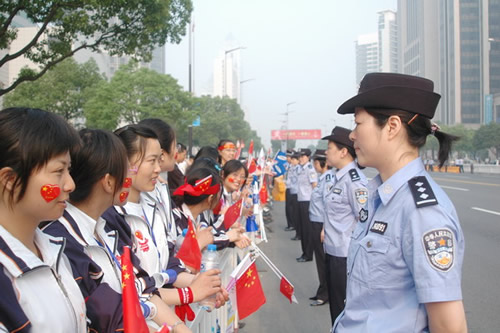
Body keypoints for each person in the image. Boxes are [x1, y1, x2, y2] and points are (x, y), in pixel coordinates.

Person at [332, 72, 466, 332]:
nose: (352, 136)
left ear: (392, 126)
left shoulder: (423, 212)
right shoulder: (380, 196)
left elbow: (450, 326)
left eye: (358, 124)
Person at [42, 128, 188, 332]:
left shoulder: (109, 230)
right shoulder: (60, 242)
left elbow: (141, 287)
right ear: (109, 182)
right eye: (127, 169)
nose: (68, 184)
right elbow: (106, 315)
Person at [0, 107, 87, 332]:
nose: (70, 185)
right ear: (10, 179)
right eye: (58, 172)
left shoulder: (55, 249)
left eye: (69, 170)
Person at [321, 126, 368, 324]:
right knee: (335, 306)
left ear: (343, 151)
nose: (326, 152)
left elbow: (364, 220)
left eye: (330, 147)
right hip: (332, 251)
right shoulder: (337, 177)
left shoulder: (354, 181)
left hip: (345, 255)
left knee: (343, 309)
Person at [308, 149, 330, 307]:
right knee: (320, 260)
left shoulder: (328, 179)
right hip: (315, 221)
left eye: (316, 163)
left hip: (321, 223)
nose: (314, 166)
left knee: (323, 261)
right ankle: (321, 290)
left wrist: (324, 227)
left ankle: (325, 294)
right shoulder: (323, 178)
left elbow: (329, 205)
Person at [295, 148, 318, 262]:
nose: (300, 158)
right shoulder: (301, 168)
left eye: (303, 156)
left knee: (307, 229)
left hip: (307, 201)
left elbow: (314, 185)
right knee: (303, 228)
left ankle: (308, 255)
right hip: (301, 200)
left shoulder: (310, 169)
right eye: (299, 156)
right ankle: (304, 252)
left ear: (308, 157)